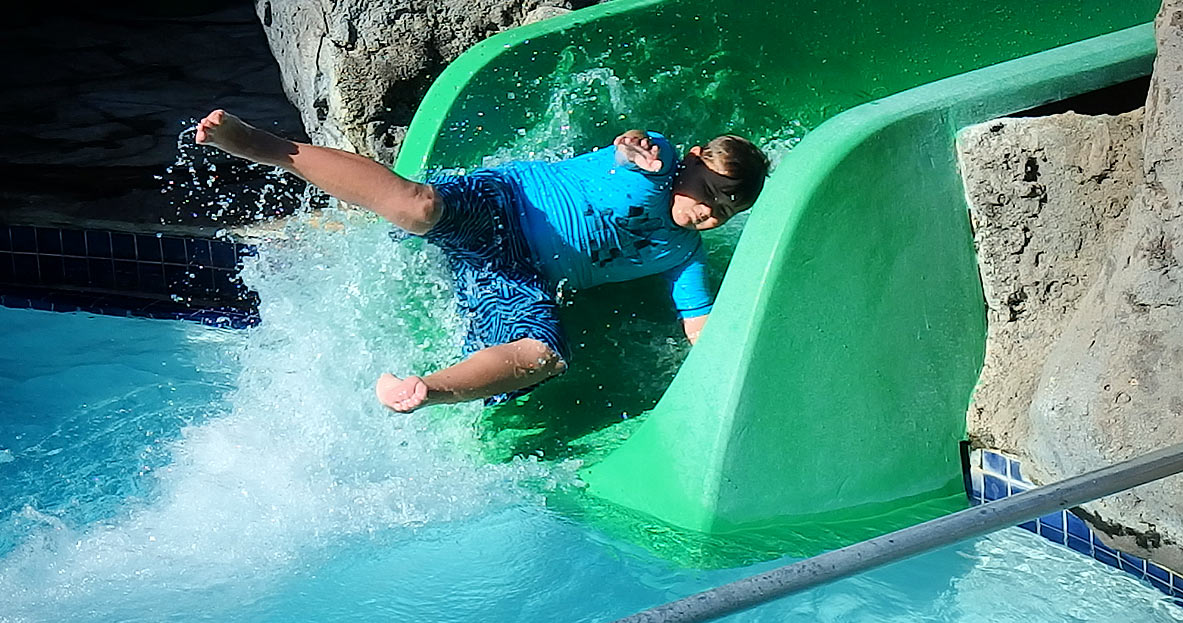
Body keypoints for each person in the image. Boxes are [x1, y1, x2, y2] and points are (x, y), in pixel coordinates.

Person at [195, 110, 768, 413]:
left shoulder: (682, 252)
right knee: (420, 207)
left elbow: (700, 326)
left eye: (726, 211)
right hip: (506, 203)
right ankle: (267, 146)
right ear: (691, 162)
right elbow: (635, 143)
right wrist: (638, 148)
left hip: (519, 275)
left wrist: (740, 375)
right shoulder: (659, 161)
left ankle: (424, 389)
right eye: (709, 193)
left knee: (545, 355)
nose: (710, 212)